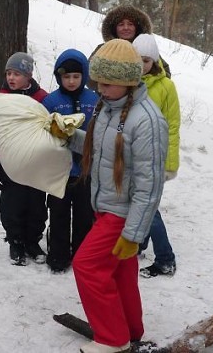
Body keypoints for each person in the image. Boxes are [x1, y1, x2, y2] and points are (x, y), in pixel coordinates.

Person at [63, 39, 168, 353]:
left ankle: (112, 340)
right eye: (99, 82)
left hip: (122, 213)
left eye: (108, 83)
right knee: (120, 273)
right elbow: (101, 150)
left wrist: (134, 233)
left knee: (86, 265)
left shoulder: (147, 120)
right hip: (106, 206)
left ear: (128, 81)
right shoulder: (109, 107)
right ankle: (130, 331)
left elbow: (150, 185)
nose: (100, 88)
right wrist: (69, 136)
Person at [0, 52, 49, 266]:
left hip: (35, 165)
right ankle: (15, 241)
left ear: (29, 75)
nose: (11, 78)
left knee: (36, 207)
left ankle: (32, 242)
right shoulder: (0, 98)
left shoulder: (42, 98)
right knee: (11, 206)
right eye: (9, 73)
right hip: (10, 164)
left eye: (17, 73)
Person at [41, 49, 98, 273]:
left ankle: (82, 255)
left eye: (76, 76)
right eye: (66, 77)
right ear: (59, 77)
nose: (72, 81)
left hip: (85, 171)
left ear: (84, 76)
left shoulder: (94, 100)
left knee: (85, 215)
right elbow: (41, 131)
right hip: (60, 172)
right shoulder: (51, 101)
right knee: (58, 214)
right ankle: (58, 256)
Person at [132, 34, 180, 278]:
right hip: (131, 156)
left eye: (146, 60)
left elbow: (172, 125)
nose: (141, 65)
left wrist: (169, 164)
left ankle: (165, 259)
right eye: (137, 59)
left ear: (155, 61)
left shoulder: (166, 86)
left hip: (153, 158)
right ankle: (139, 245)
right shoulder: (126, 83)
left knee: (148, 208)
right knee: (138, 203)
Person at [88, 5, 170, 91]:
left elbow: (164, 73)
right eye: (121, 24)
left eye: (130, 24)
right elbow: (89, 75)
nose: (126, 28)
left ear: (137, 27)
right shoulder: (104, 49)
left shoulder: (146, 48)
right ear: (114, 28)